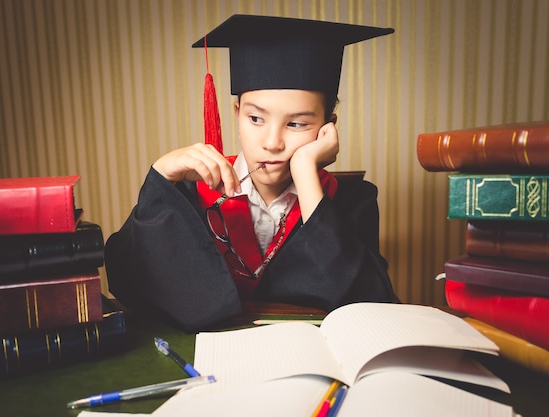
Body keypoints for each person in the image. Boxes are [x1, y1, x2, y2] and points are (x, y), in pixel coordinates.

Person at [105, 14, 397, 331]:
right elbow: (130, 283)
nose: (272, 143)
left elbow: (371, 303)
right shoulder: (192, 191)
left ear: (328, 128)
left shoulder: (353, 200)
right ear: (237, 114)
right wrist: (160, 179)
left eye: (297, 123)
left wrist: (305, 173)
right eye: (256, 119)